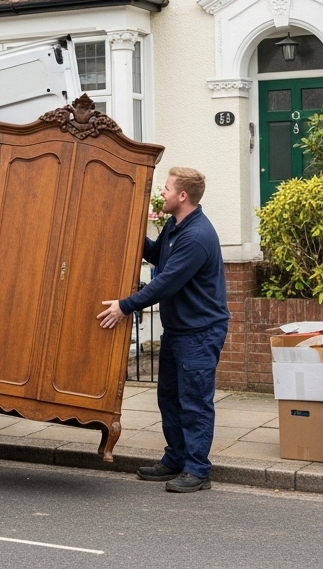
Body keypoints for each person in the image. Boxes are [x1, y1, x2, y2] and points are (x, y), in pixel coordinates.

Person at [97, 167, 229, 493]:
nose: (162, 192)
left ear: (182, 196)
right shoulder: (177, 225)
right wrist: (127, 227)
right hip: (179, 331)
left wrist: (125, 306)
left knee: (195, 402)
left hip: (199, 333)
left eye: (167, 188)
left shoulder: (197, 236)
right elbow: (158, 255)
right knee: (169, 396)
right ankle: (176, 459)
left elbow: (166, 282)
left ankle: (198, 471)